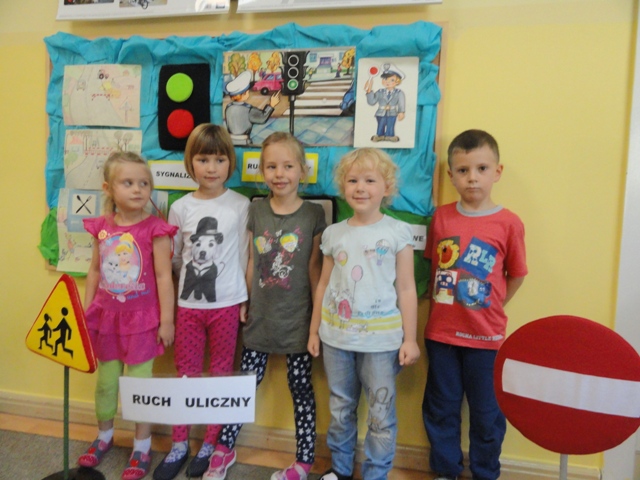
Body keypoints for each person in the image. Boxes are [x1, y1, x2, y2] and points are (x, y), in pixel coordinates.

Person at [204, 132, 326, 480]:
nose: (279, 174)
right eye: (271, 166)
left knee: (300, 390)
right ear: (261, 171)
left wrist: (316, 324)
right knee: (244, 385)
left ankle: (304, 460)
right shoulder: (255, 210)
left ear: (302, 170)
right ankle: (224, 448)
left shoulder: (314, 214)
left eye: (288, 166)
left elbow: (315, 270)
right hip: (259, 317)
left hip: (298, 321)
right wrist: (245, 299)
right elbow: (251, 262)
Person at [308, 148, 420, 480]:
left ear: (387, 187)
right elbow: (323, 284)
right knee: (341, 409)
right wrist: (314, 331)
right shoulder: (333, 234)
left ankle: (375, 473)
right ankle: (340, 470)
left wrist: (410, 339)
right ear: (343, 186)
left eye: (370, 180)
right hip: (336, 339)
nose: (360, 187)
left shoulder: (398, 232)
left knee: (380, 414)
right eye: (353, 180)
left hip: (382, 343)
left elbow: (407, 289)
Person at [422, 130, 528, 480]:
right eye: (463, 170)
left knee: (486, 414)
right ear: (451, 175)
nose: (472, 178)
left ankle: (485, 472)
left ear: (497, 172)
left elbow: (516, 274)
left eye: (481, 168)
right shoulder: (441, 217)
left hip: (486, 339)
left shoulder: (509, 223)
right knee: (441, 407)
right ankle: (445, 470)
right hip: (441, 336)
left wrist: (493, 306)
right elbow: (435, 266)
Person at [153, 124, 250, 480]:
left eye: (220, 160)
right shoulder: (180, 208)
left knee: (221, 374)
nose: (211, 168)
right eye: (204, 159)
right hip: (189, 307)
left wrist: (244, 299)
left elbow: (243, 255)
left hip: (227, 305)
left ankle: (210, 444)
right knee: (186, 374)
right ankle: (179, 443)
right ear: (190, 162)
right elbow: (176, 258)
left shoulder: (240, 205)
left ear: (230, 163)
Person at [78, 151, 177, 480]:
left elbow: (164, 277)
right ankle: (104, 435)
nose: (138, 189)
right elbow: (95, 271)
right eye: (128, 183)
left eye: (144, 183)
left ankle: (141, 446)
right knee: (106, 384)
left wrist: (167, 321)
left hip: (142, 322)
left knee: (139, 386)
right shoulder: (102, 228)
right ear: (109, 188)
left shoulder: (155, 229)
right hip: (106, 320)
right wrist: (87, 313)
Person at [224, 70, 281, 146]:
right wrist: (271, 105)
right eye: (247, 91)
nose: (248, 92)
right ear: (243, 94)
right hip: (244, 142)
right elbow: (262, 118)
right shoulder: (248, 110)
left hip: (230, 142)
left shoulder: (228, 107)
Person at [365, 63, 406, 143]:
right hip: (380, 112)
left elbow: (401, 103)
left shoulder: (399, 93)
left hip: (392, 112)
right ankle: (379, 135)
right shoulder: (380, 92)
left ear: (397, 82)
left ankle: (390, 136)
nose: (388, 82)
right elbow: (372, 102)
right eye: (385, 79)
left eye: (392, 80)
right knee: (381, 124)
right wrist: (369, 92)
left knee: (391, 124)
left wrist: (401, 112)